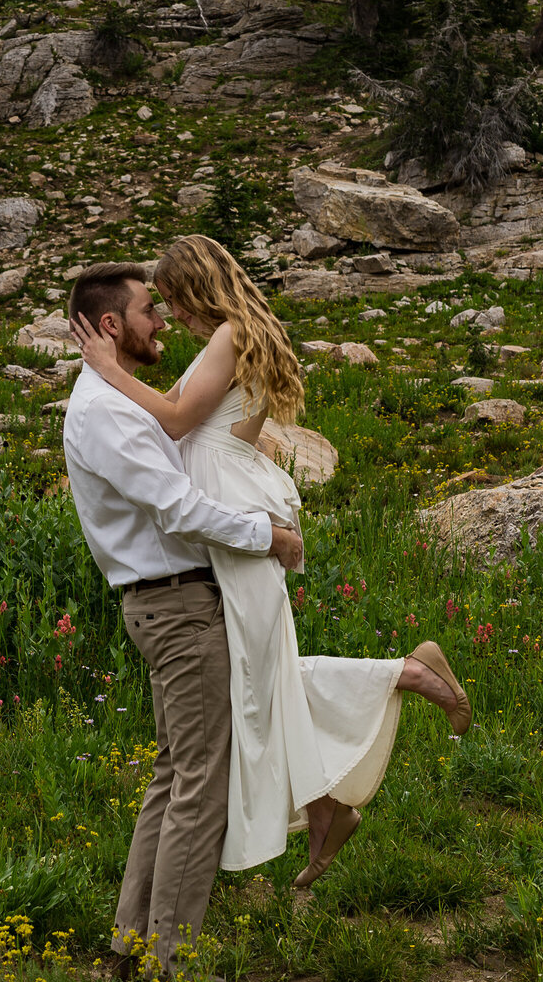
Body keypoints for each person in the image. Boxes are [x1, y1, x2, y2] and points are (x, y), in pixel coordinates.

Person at [71, 234, 471, 890]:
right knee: (258, 675)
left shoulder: (230, 334)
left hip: (234, 515)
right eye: (158, 304)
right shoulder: (232, 335)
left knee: (258, 675)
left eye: (171, 299)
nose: (169, 315)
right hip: (232, 510)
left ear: (198, 286)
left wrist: (111, 375)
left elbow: (174, 421)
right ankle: (328, 803)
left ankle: (404, 682)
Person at [61, 262, 306, 973]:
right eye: (148, 310)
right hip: (176, 604)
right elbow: (176, 506)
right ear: (112, 326)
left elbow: (185, 450)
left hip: (177, 599)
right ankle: (166, 965)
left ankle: (130, 948)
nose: (161, 320)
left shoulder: (112, 399)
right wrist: (271, 536)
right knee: (200, 785)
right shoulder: (105, 410)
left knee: (176, 775)